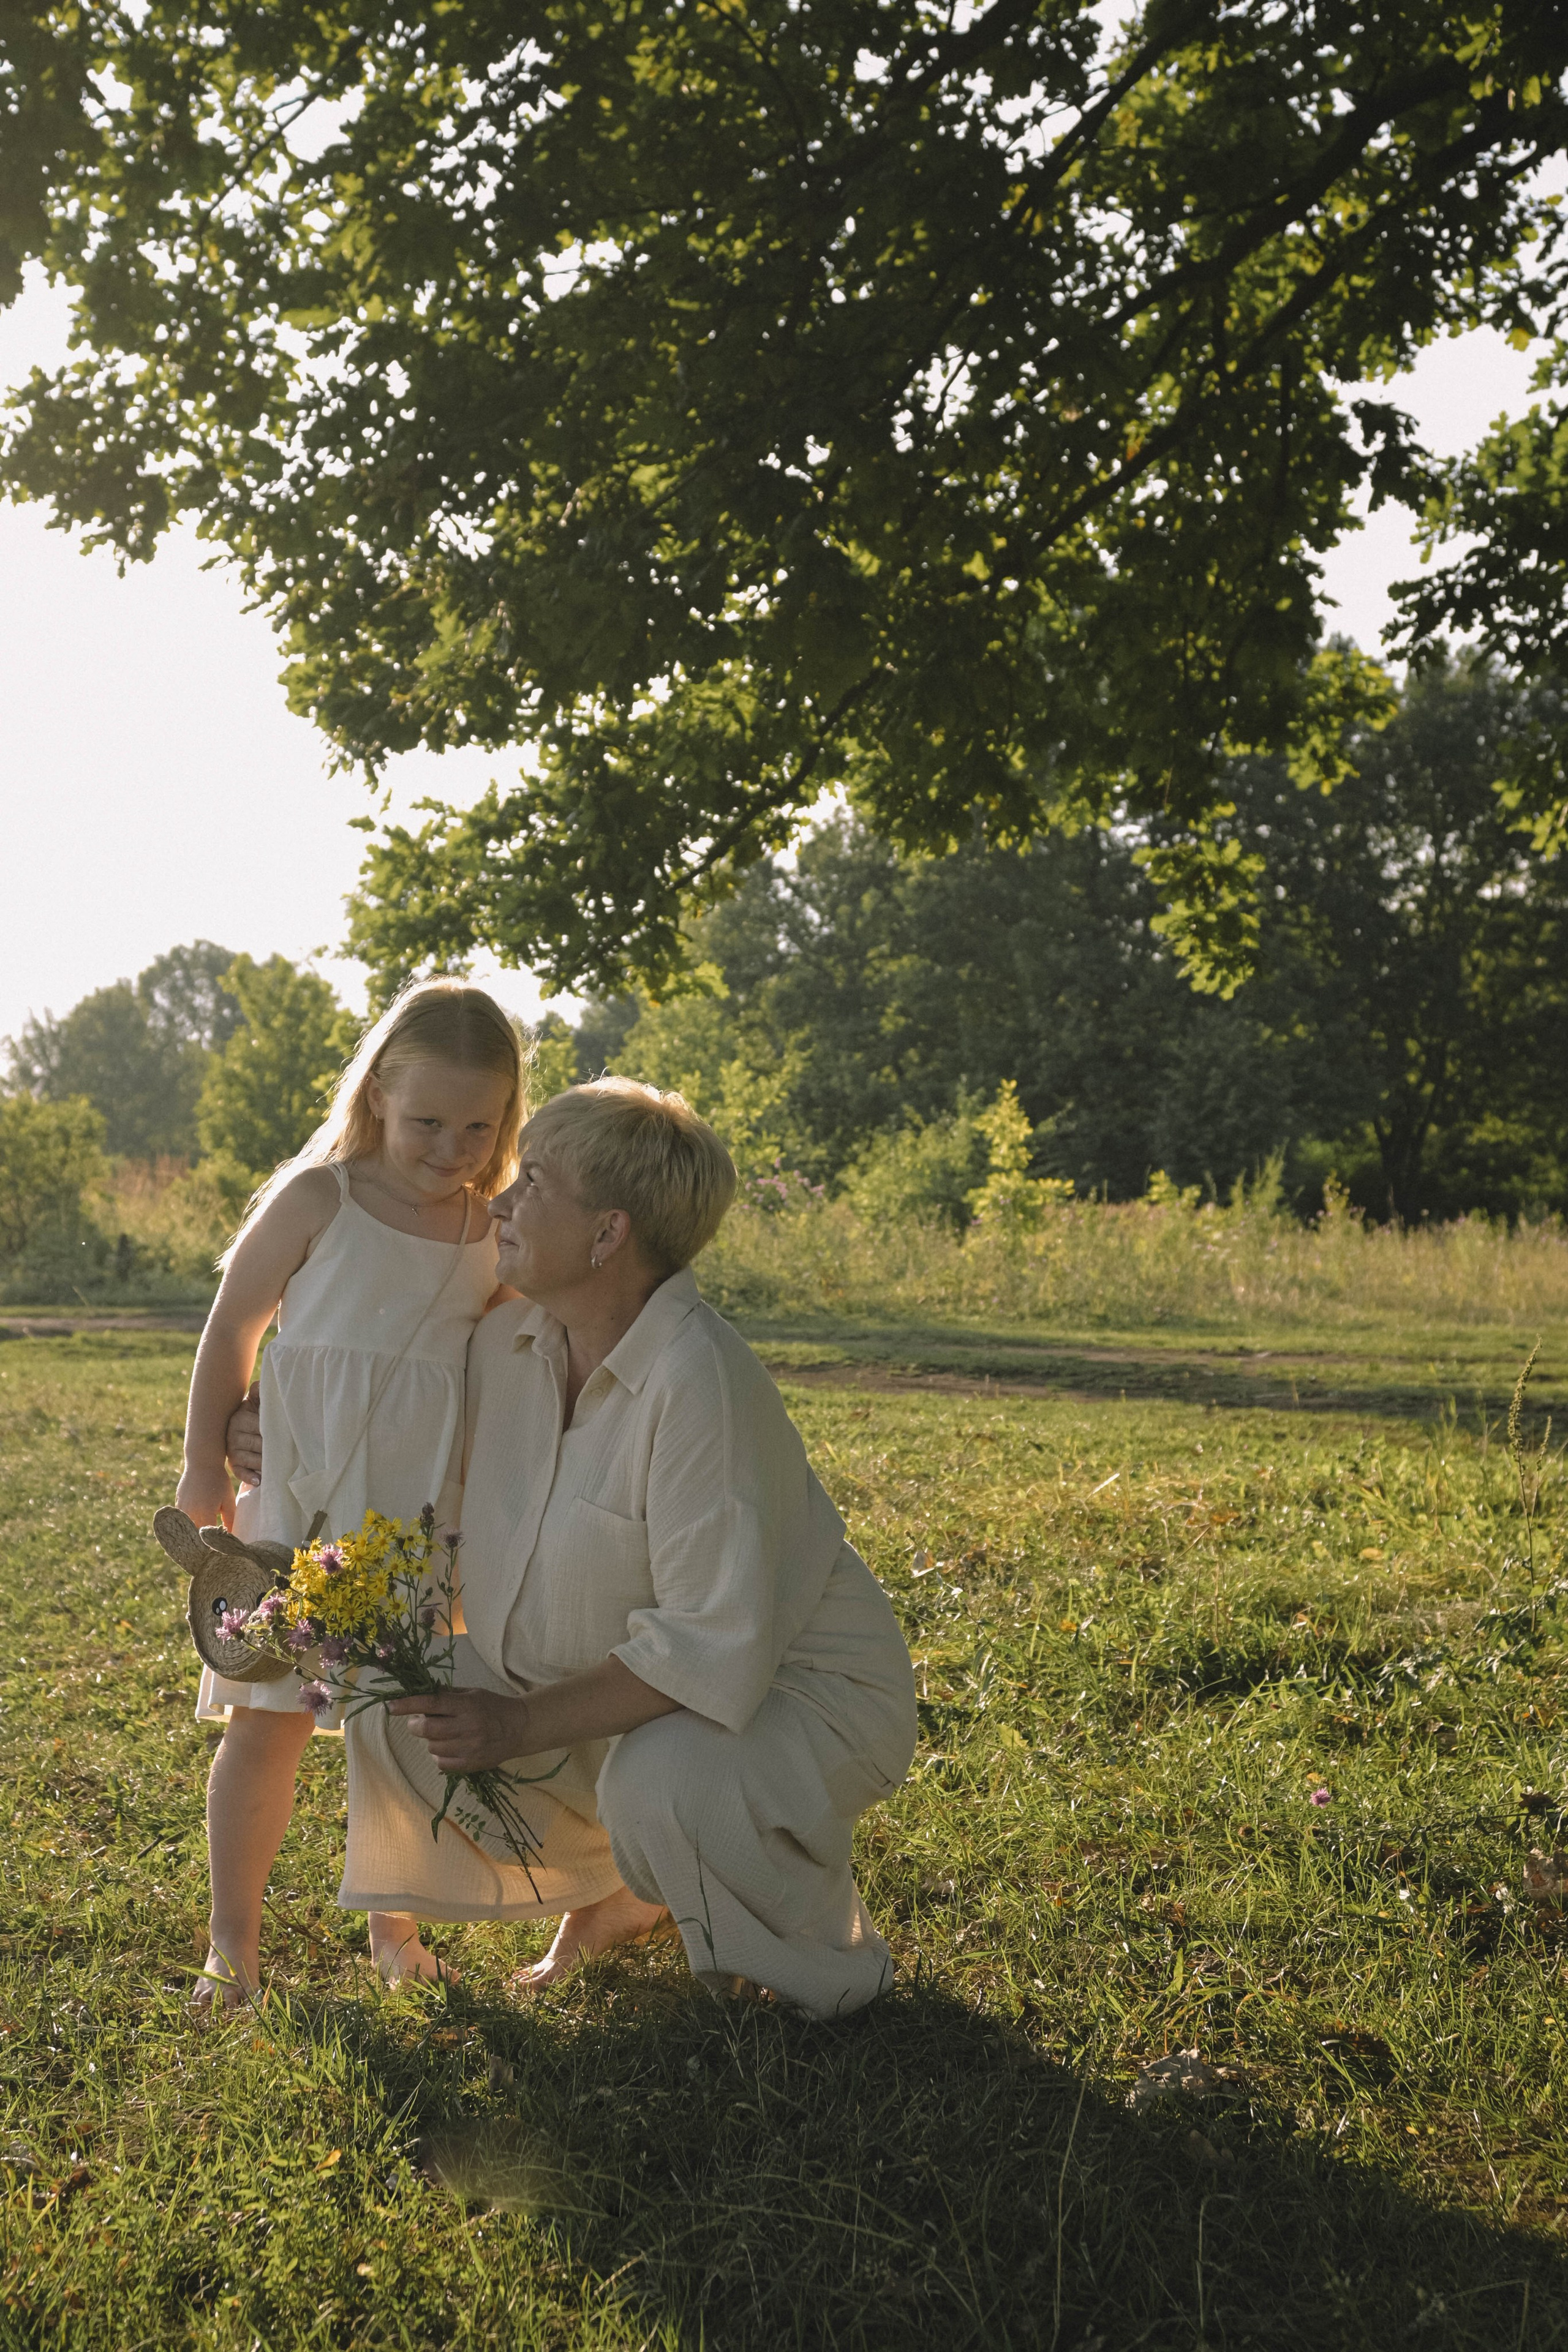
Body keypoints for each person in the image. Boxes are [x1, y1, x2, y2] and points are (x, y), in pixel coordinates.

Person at [334, 1077, 918, 2016]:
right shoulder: (513, 1339)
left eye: (534, 1183)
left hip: (796, 1703)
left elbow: (710, 1651)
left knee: (665, 1781)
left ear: (608, 1236)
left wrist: (517, 1727)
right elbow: (378, 1396)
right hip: (603, 1697)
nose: (502, 1200)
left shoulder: (701, 1384)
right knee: (394, 1696)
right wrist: (253, 1426)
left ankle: (824, 1976)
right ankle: (628, 1894)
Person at [175, 979, 523, 2007]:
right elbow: (233, 1324)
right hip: (297, 1512)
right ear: (377, 1092)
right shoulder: (318, 1198)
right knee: (267, 1722)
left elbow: (496, 1369)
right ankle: (231, 1947)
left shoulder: (489, 1230)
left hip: (418, 1525)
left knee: (402, 1727)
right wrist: (206, 1460)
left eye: (480, 1124)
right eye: (427, 1120)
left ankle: (395, 1932)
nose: (452, 1145)